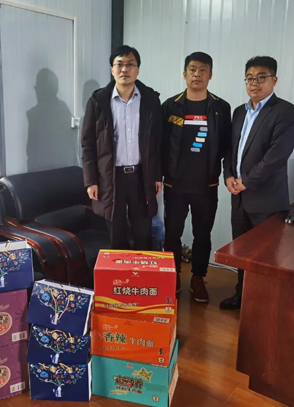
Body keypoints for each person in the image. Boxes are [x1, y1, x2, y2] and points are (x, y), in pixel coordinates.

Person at [220, 56, 294, 310]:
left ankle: (262, 306)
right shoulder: (239, 112)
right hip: (239, 198)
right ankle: (242, 296)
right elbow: (231, 150)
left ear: (274, 80)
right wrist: (228, 176)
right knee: (242, 253)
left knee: (266, 257)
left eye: (261, 78)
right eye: (250, 78)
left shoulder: (286, 112)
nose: (254, 83)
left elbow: (276, 156)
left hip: (267, 201)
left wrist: (246, 181)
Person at [162, 52, 231, 303]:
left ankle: (198, 277)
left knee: (203, 235)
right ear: (184, 74)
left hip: (206, 185)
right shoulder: (170, 106)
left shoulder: (221, 108)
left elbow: (227, 147)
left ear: (210, 75)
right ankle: (173, 275)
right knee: (172, 234)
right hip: (175, 185)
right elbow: (160, 144)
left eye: (203, 70)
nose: (197, 74)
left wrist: (227, 175)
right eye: (192, 69)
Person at [81, 45, 162, 250]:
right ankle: (120, 271)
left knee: (143, 233)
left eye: (130, 64)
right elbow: (88, 144)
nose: (124, 69)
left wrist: (156, 176)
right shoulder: (98, 101)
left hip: (141, 176)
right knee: (116, 235)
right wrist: (91, 181)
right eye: (119, 64)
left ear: (138, 69)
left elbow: (157, 142)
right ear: (112, 69)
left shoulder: (151, 100)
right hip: (110, 177)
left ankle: (142, 270)